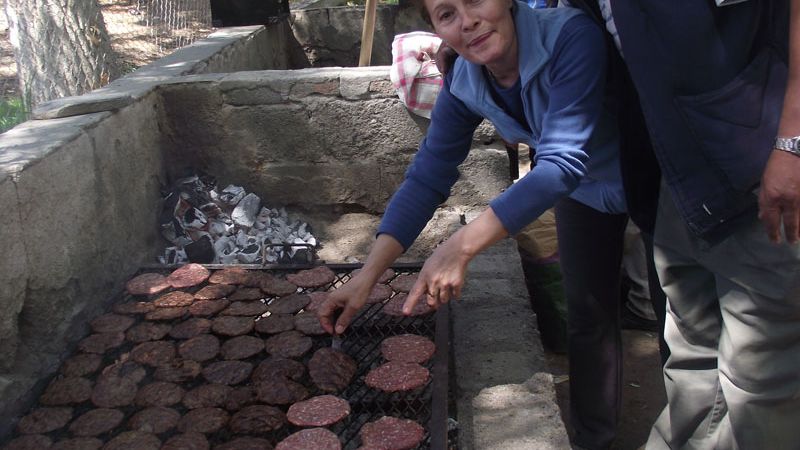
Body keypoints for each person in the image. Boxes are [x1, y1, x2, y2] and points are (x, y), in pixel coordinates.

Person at [319, 1, 629, 448]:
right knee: (588, 314)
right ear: (436, 30)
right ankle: (594, 440)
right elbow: (428, 176)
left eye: (476, 0)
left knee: (679, 320)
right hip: (585, 193)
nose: (468, 21)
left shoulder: (570, 37)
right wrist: (366, 277)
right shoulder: (466, 79)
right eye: (446, 14)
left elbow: (561, 162)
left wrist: (460, 246)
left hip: (650, 174)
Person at [566, 0, 800, 448]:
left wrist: (793, 141)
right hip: (675, 174)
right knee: (692, 360)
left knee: (760, 384)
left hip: (754, 157)